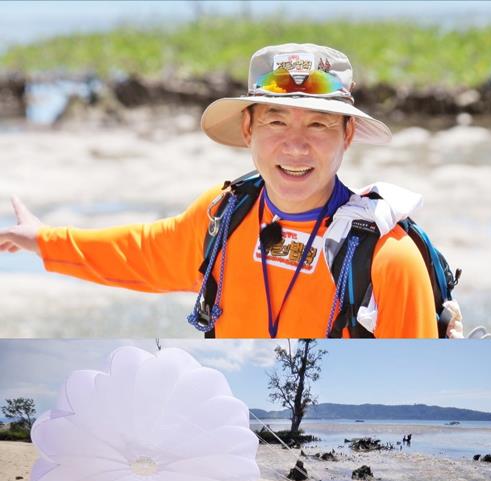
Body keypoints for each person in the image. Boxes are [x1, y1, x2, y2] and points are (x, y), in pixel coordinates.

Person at [1, 43, 442, 339]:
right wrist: (42, 240)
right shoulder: (224, 216)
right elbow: (140, 252)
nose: (295, 144)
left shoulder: (389, 260)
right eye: (275, 120)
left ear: (347, 135)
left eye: (319, 124)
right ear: (248, 128)